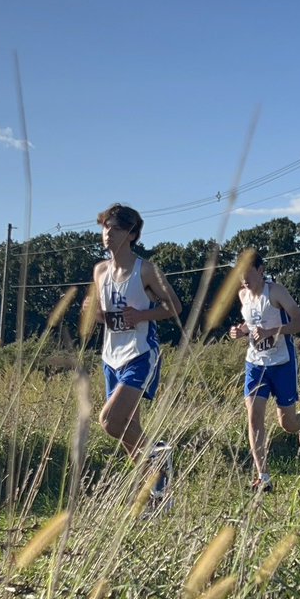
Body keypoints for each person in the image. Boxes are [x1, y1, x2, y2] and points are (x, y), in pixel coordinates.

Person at [88, 203, 183, 509]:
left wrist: (140, 314)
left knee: (110, 422)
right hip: (111, 355)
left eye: (115, 228)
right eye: (105, 227)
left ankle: (159, 462)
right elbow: (100, 314)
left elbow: (174, 307)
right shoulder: (100, 270)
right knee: (130, 428)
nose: (108, 233)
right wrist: (97, 314)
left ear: (131, 234)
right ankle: (157, 491)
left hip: (141, 352)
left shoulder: (147, 269)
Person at [228, 252, 300, 493]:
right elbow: (251, 322)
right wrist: (239, 331)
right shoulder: (243, 295)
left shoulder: (276, 292)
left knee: (287, 423)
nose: (245, 283)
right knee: (254, 416)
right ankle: (263, 476)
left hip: (282, 363)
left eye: (248, 277)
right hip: (255, 364)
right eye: (241, 279)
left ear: (261, 270)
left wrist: (273, 331)